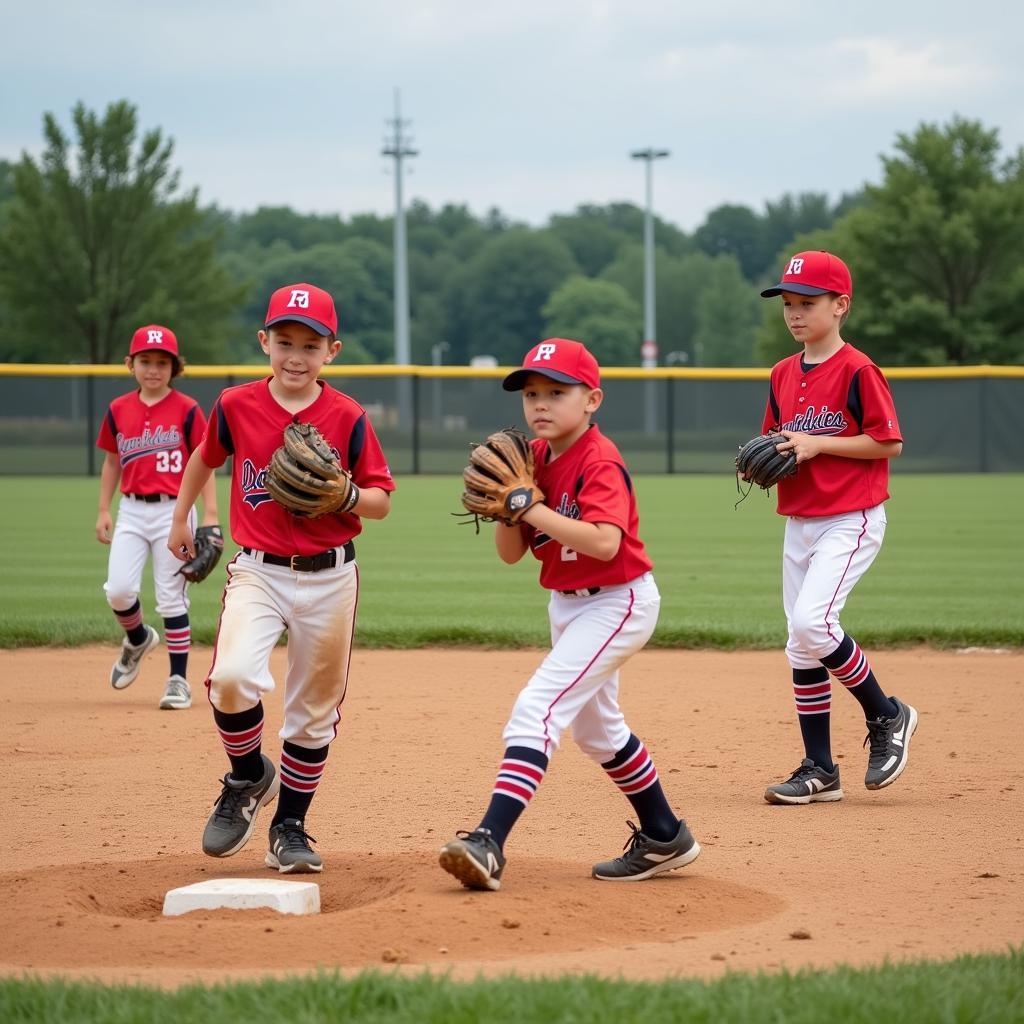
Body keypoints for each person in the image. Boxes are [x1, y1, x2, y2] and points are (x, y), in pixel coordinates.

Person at [439, 338, 700, 891]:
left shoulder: (599, 461)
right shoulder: (531, 459)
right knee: (599, 732)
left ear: (592, 400)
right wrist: (506, 507)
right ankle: (664, 833)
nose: (541, 404)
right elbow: (512, 554)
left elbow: (605, 543)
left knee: (538, 707)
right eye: (532, 393)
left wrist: (527, 506)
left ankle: (489, 840)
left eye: (557, 392)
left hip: (618, 600)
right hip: (568, 603)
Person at [167, 282, 394, 874]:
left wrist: (346, 493)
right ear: (263, 341)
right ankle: (246, 777)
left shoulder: (347, 416)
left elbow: (380, 502)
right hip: (258, 570)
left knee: (313, 710)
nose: (296, 355)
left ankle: (290, 826)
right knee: (232, 679)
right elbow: (204, 459)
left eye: (310, 344)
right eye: (285, 340)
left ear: (332, 351)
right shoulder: (236, 404)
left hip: (331, 576)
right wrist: (179, 519)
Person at [756, 250, 917, 805]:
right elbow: (777, 440)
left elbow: (888, 442)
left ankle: (887, 714)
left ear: (840, 305)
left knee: (814, 624)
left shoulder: (858, 370)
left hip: (851, 518)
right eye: (788, 304)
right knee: (800, 646)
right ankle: (820, 769)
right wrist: (764, 459)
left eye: (807, 302)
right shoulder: (781, 373)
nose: (795, 313)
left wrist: (818, 442)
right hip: (799, 520)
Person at [96, 325, 220, 710]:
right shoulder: (118, 409)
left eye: (162, 362)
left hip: (174, 511)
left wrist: (211, 514)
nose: (153, 369)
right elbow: (112, 461)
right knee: (118, 589)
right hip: (131, 510)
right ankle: (137, 639)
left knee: (171, 598)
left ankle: (178, 680)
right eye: (145, 361)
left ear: (174, 367)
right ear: (130, 364)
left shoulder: (186, 409)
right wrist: (103, 508)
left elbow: (207, 462)